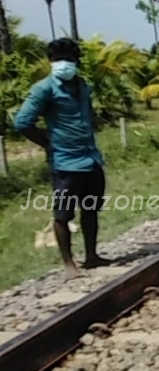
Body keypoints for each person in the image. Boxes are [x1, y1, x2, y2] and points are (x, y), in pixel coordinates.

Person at [14, 38, 112, 280]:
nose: (64, 64)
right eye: (59, 60)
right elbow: (22, 122)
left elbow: (90, 113)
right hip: (65, 163)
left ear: (76, 61)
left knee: (90, 209)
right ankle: (69, 264)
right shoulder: (44, 89)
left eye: (69, 59)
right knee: (63, 215)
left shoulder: (82, 86)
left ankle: (92, 255)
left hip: (90, 159)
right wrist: (47, 143)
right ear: (51, 62)